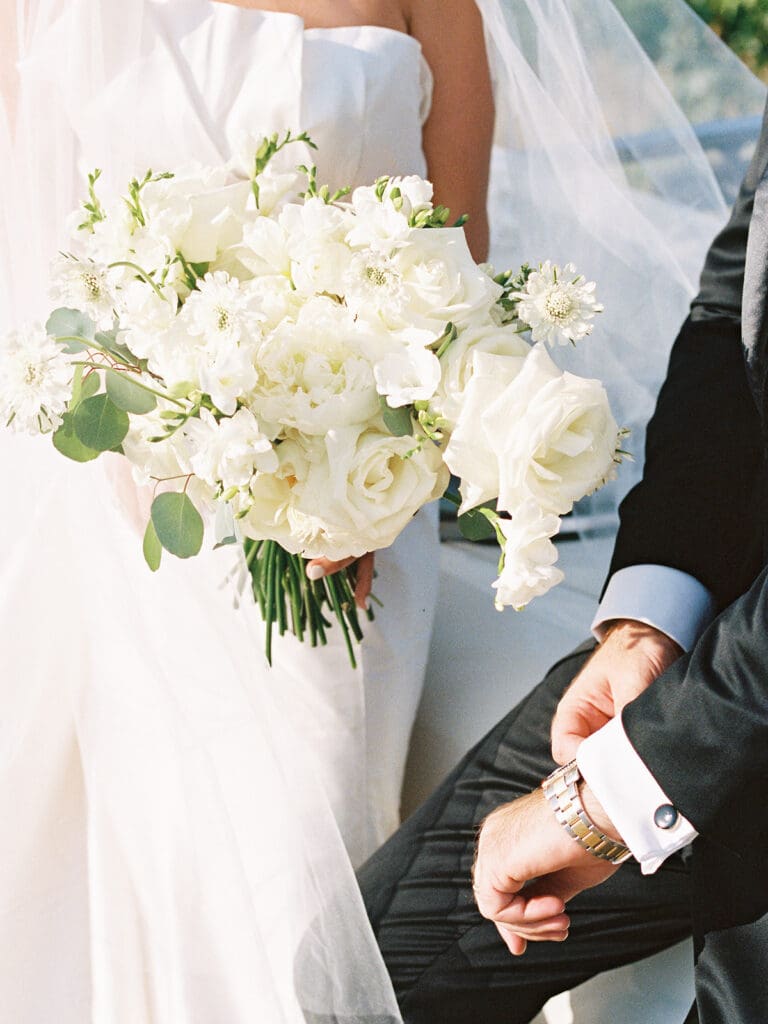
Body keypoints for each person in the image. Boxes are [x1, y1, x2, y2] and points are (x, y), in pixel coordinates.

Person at [0, 0, 491, 1019]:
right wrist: (157, 436)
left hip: (355, 516)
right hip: (137, 512)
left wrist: (373, 476)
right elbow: (35, 253)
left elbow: (462, 273)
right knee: (175, 861)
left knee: (309, 837)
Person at [359, 87, 768, 1024]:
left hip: (733, 709)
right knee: (362, 982)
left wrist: (617, 795)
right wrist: (647, 622)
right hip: (714, 637)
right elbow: (733, 310)